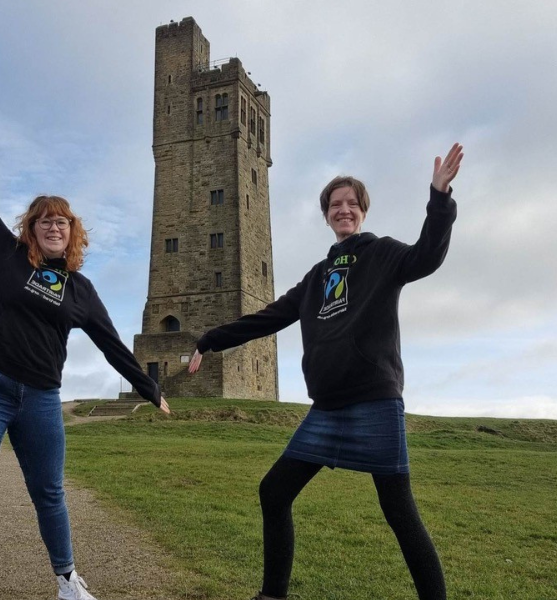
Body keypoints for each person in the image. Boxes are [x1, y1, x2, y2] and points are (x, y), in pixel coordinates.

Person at [0, 97, 170, 600]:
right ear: (30, 229)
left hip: (40, 399)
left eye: (63, 222)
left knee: (51, 494)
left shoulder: (81, 290)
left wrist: (149, 387)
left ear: (73, 234)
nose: (54, 227)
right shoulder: (6, 254)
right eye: (44, 221)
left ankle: (66, 582)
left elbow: (112, 345)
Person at [188, 143, 463, 600]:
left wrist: (439, 198)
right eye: (336, 205)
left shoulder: (383, 254)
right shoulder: (318, 276)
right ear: (326, 215)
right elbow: (269, 316)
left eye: (352, 203)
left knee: (399, 511)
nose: (344, 210)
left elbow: (427, 256)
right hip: (327, 409)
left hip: (374, 400)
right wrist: (210, 339)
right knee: (274, 492)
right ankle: (272, 594)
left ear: (362, 211)